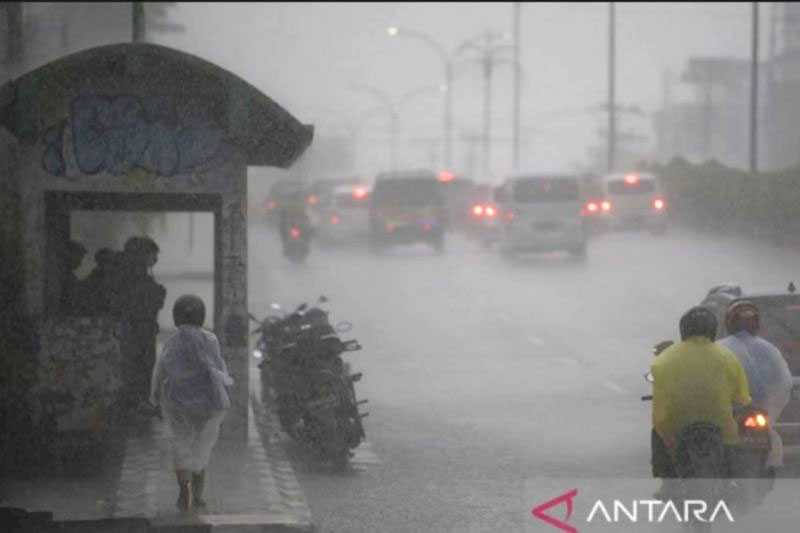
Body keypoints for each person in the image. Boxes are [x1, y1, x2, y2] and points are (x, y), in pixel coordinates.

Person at [650, 306, 752, 494]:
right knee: (734, 446)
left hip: (677, 425)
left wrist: (667, 435)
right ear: (713, 329)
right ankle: (731, 482)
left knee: (657, 433)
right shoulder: (728, 357)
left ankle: (667, 484)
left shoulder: (664, 360)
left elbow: (660, 406)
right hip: (721, 425)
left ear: (684, 329)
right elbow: (742, 398)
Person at [149, 295, 233, 512]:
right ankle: (198, 496)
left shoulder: (171, 342)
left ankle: (183, 493)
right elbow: (219, 369)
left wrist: (155, 399)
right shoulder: (210, 340)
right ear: (201, 317)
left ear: (176, 317)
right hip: (208, 406)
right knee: (202, 451)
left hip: (177, 405)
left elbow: (159, 373)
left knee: (181, 447)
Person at [718, 300, 793, 469]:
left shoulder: (719, 348)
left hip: (729, 411)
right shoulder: (769, 349)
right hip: (757, 410)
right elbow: (784, 383)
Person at [117, 237, 166, 411]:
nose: (155, 259)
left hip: (143, 328)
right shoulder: (131, 277)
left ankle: (138, 400)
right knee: (138, 365)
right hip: (136, 329)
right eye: (152, 254)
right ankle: (137, 401)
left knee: (142, 365)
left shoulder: (134, 275)